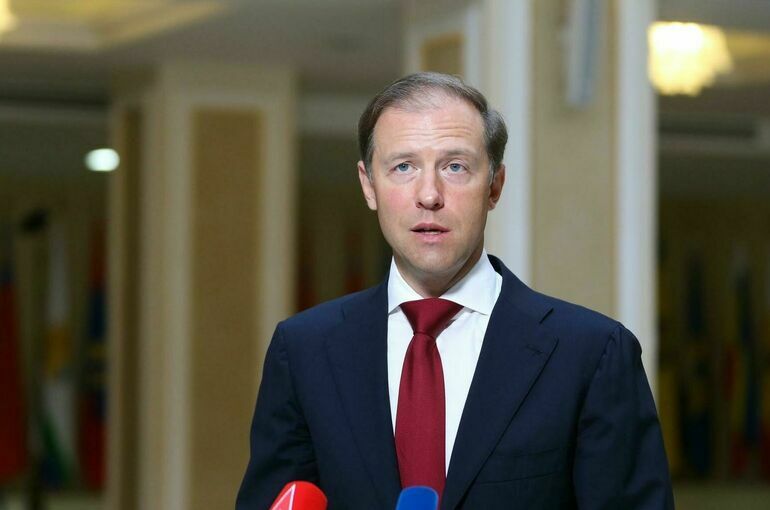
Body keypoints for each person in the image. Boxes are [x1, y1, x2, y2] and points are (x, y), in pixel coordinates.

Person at [236, 72, 673, 509]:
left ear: (494, 186)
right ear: (369, 186)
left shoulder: (592, 353)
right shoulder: (304, 350)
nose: (429, 195)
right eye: (403, 167)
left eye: (455, 167)